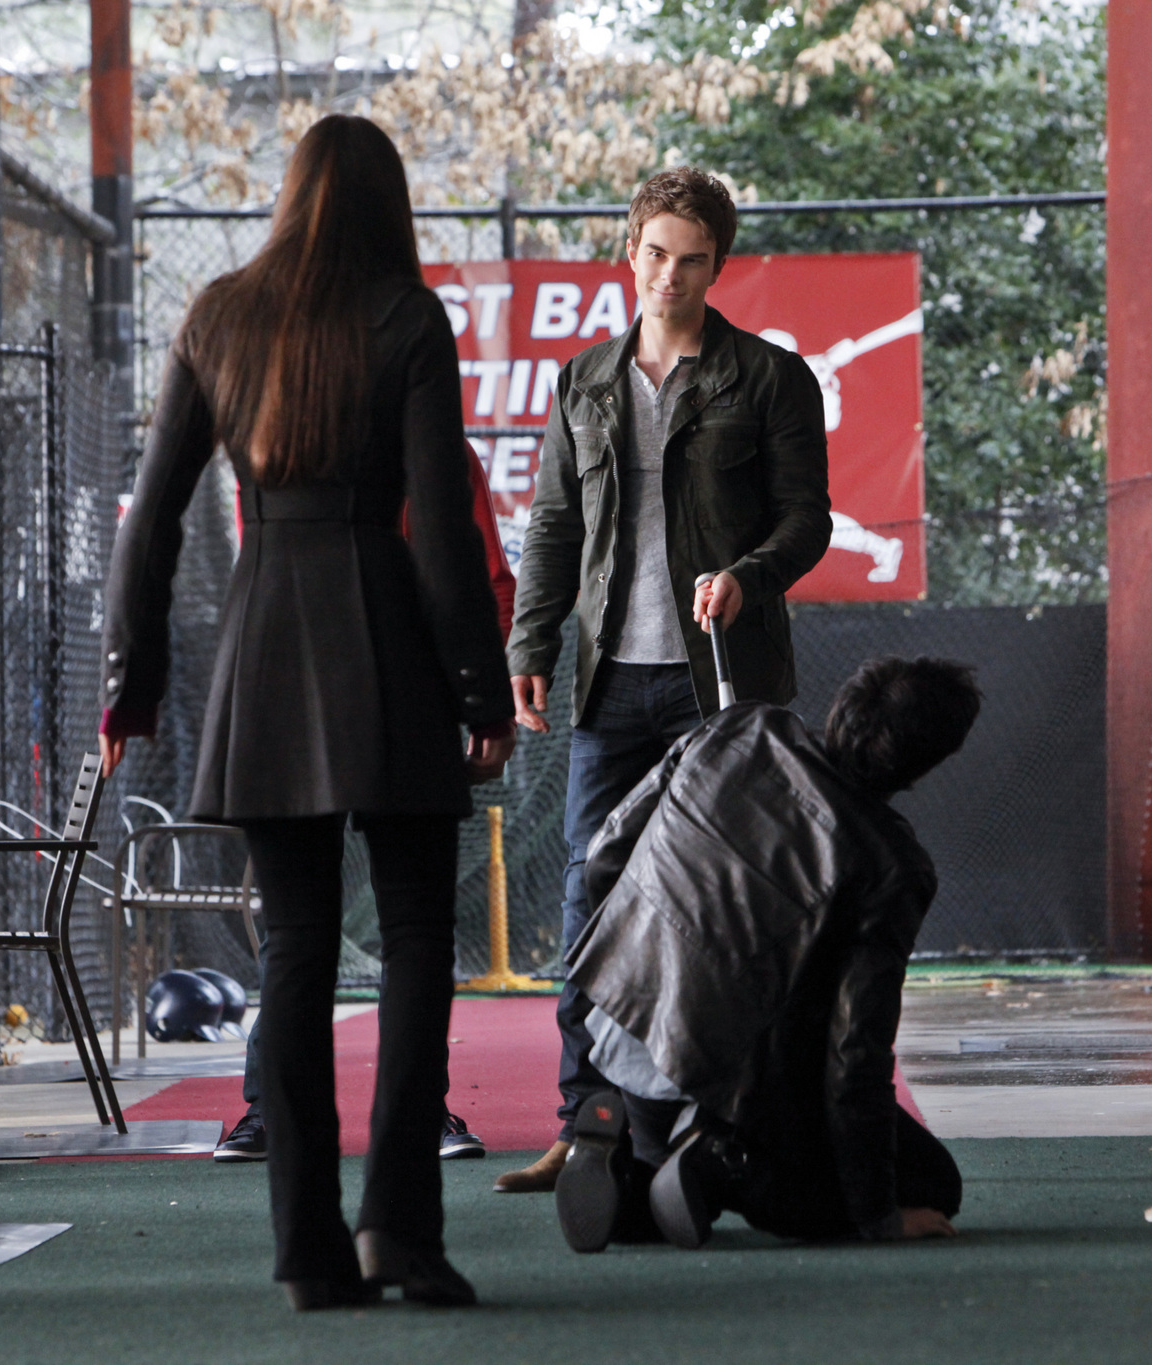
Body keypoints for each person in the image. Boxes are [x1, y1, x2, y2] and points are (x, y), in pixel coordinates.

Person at [99, 115, 514, 1310]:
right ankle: (400, 1230)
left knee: (291, 950)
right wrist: (479, 692)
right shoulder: (406, 318)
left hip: (265, 643)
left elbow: (153, 520)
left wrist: (130, 687)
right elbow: (440, 532)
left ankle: (306, 1251)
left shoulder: (218, 315)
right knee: (420, 943)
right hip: (384, 639)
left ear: (287, 196)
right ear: (388, 203)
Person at [496, 167, 832, 1193]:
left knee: (731, 897)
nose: (670, 275)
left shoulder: (769, 379)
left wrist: (746, 576)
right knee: (589, 896)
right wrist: (528, 647)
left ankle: (727, 1123)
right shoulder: (584, 381)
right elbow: (553, 524)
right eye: (655, 254)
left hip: (721, 685)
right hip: (607, 682)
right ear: (627, 251)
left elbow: (806, 520)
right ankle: (584, 1124)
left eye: (692, 260)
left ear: (717, 264)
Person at [549, 656, 981, 1252]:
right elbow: (855, 1052)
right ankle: (725, 1165)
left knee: (665, 1161)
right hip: (724, 1083)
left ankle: (634, 1174)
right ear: (927, 761)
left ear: (845, 702)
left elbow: (604, 856)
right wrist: (876, 1217)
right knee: (933, 1182)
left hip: (620, 1028)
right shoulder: (893, 865)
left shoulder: (741, 727)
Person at [214, 451, 516, 1166]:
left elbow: (486, 581)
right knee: (325, 930)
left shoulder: (414, 445)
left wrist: (478, 697)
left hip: (383, 700)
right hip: (319, 698)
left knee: (393, 928)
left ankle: (359, 1112)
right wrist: (481, 701)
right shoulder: (278, 446)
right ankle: (283, 1110)